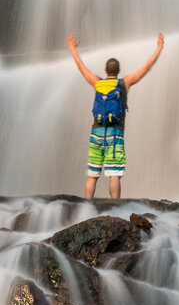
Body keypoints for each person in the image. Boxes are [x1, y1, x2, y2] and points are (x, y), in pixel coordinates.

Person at [67, 30, 164, 200]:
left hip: (96, 133)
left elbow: (81, 67)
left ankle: (86, 205)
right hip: (116, 134)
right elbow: (146, 68)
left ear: (105, 70)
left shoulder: (97, 82)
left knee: (92, 174)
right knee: (114, 174)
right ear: (118, 71)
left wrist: (72, 48)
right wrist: (159, 48)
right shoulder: (125, 83)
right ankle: (115, 206)